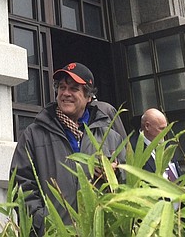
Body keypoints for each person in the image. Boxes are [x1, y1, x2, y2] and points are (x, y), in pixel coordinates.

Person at [10, 62, 126, 235]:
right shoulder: (33, 134)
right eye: (62, 87)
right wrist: (43, 222)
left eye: (73, 89)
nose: (65, 93)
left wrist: (113, 175)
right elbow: (20, 184)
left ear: (88, 96)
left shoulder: (110, 136)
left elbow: (128, 184)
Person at [132, 108, 181, 181]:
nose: (165, 132)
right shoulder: (133, 149)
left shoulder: (166, 144)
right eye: (161, 129)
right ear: (147, 126)